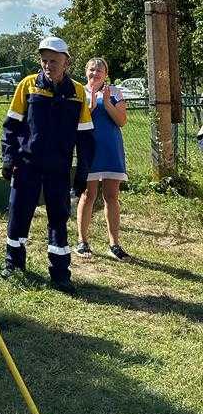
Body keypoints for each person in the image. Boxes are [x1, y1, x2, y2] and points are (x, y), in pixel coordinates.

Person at [1, 35, 94, 293]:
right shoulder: (27, 85)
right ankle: (13, 262)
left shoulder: (77, 92)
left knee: (58, 218)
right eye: (44, 60)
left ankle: (60, 273)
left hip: (59, 167)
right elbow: (11, 125)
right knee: (19, 213)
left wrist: (83, 171)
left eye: (54, 60)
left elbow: (85, 136)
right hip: (26, 164)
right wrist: (9, 158)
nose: (48, 65)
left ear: (67, 62)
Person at [75, 57, 130, 261]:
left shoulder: (114, 92)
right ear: (86, 72)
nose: (95, 73)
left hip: (111, 150)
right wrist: (89, 107)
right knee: (88, 194)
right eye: (92, 69)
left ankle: (114, 244)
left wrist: (106, 103)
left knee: (112, 196)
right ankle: (82, 241)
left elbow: (121, 121)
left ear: (106, 74)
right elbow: (75, 122)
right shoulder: (79, 91)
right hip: (89, 150)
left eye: (99, 70)